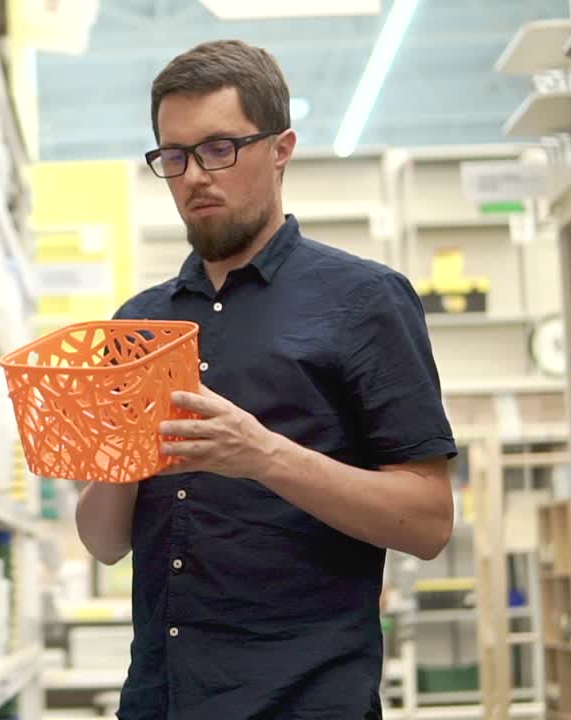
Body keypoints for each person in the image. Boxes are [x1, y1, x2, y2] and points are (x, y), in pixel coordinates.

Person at [74, 39, 457, 720]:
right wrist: (112, 455)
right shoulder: (137, 324)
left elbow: (428, 521)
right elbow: (105, 545)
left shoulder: (364, 300)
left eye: (219, 148)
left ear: (281, 149)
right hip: (161, 699)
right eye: (174, 156)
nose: (194, 175)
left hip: (306, 699)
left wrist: (263, 455)